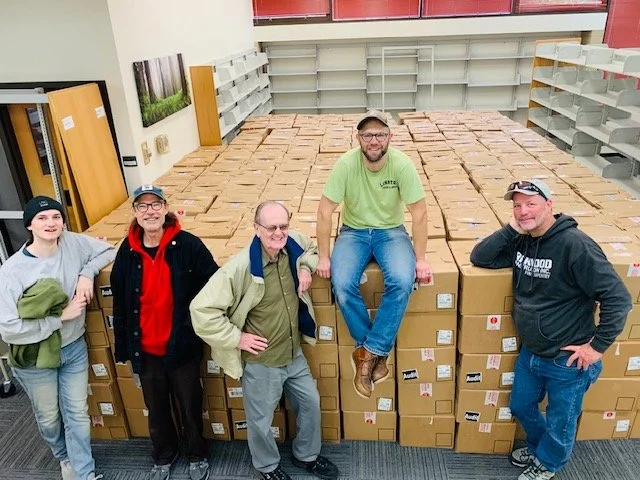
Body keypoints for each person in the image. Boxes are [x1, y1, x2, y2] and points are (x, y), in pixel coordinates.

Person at [470, 179, 632, 480]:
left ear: (549, 205)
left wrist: (595, 348)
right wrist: (512, 229)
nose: (522, 211)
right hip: (531, 352)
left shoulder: (575, 245)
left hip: (566, 359)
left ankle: (549, 463)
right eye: (517, 206)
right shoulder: (523, 240)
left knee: (562, 420)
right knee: (520, 406)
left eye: (530, 204)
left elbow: (618, 298)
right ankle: (539, 448)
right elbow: (480, 257)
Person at [190, 201, 338, 480]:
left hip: (294, 354)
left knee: (310, 404)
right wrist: (237, 338)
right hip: (262, 361)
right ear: (256, 228)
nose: (278, 233)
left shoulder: (292, 243)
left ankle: (306, 455)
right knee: (259, 421)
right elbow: (200, 310)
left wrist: (305, 267)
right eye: (271, 227)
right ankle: (267, 466)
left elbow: (314, 248)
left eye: (283, 226)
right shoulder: (239, 268)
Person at [315, 110, 431, 399]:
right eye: (368, 135)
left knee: (403, 281)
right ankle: (376, 355)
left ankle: (367, 354)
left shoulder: (402, 165)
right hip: (353, 232)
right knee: (341, 285)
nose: (374, 140)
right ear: (358, 138)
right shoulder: (346, 164)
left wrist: (421, 258)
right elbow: (324, 211)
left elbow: (419, 213)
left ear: (390, 136)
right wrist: (324, 257)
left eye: (380, 134)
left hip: (390, 232)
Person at [0, 195, 115, 480]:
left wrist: (87, 273)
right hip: (34, 356)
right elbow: (8, 328)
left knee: (76, 412)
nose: (50, 223)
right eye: (42, 218)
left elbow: (109, 250)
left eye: (56, 217)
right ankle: (63, 457)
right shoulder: (12, 271)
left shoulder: (72, 242)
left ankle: (84, 473)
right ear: (30, 225)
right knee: (50, 418)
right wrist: (59, 318)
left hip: (73, 347)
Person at [110, 185, 218, 480]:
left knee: (190, 405)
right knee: (156, 409)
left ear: (165, 208)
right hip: (145, 348)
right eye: (142, 207)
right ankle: (163, 456)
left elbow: (216, 285)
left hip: (181, 345)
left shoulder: (188, 245)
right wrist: (122, 348)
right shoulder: (127, 251)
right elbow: (120, 301)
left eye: (155, 205)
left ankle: (197, 454)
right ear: (134, 213)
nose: (150, 212)